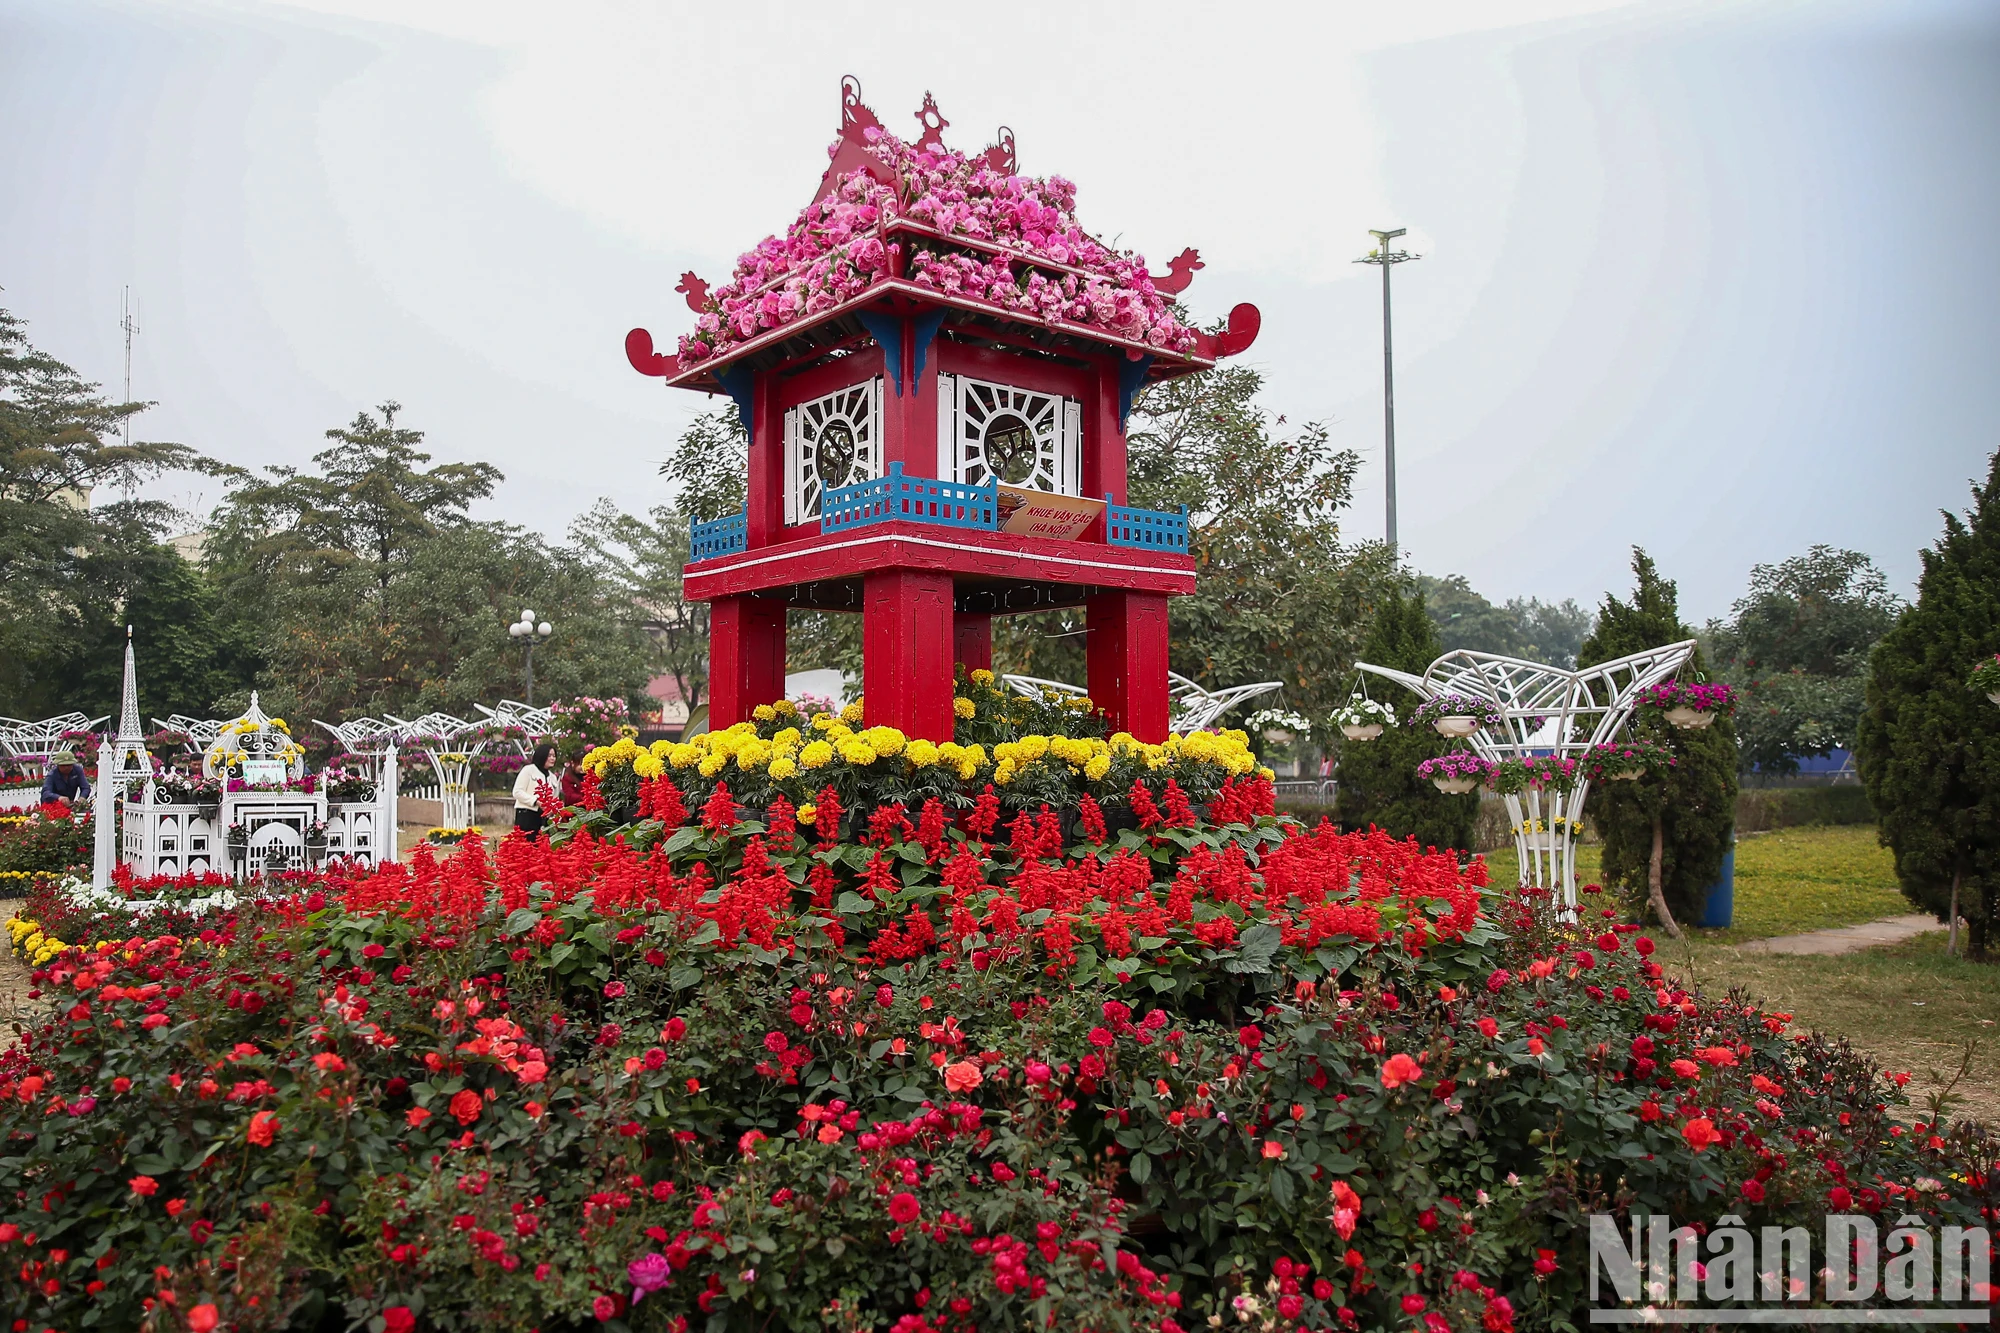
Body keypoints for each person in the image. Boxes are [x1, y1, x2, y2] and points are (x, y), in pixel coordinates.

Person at [511, 742, 557, 840]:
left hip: (544, 819)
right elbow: (517, 792)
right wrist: (536, 801)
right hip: (527, 815)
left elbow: (555, 799)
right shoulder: (528, 770)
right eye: (549, 756)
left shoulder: (553, 777)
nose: (553, 758)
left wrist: (552, 809)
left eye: (554, 756)